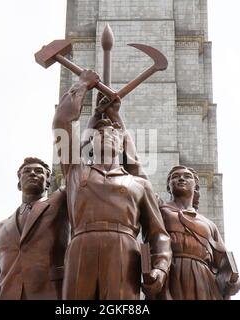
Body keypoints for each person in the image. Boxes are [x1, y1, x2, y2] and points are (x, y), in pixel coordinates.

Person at [52, 69, 171, 300]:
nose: (107, 134)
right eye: (100, 132)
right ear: (91, 141)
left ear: (122, 142)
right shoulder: (76, 171)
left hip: (124, 252)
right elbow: (61, 122)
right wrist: (82, 85)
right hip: (81, 249)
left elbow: (158, 234)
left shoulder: (138, 184)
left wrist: (160, 267)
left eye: (113, 133)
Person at [0, 157, 69, 300]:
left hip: (50, 294)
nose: (32, 173)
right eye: (27, 171)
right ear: (19, 184)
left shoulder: (59, 202)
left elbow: (75, 173)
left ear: (48, 182)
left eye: (39, 171)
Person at [157, 165, 240, 300]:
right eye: (175, 176)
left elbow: (223, 262)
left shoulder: (209, 225)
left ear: (196, 186)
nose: (181, 179)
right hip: (172, 272)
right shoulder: (160, 210)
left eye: (187, 176)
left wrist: (233, 282)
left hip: (204, 279)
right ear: (168, 186)